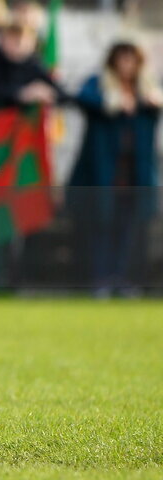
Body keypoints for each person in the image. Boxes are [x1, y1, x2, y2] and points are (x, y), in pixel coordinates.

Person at [69, 40, 162, 297]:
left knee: (128, 231)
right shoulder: (98, 84)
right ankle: (100, 279)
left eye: (131, 59)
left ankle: (122, 279)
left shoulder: (146, 89)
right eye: (122, 59)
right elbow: (81, 97)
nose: (127, 65)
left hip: (134, 176)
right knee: (101, 227)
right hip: (102, 176)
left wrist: (151, 101)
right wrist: (113, 102)